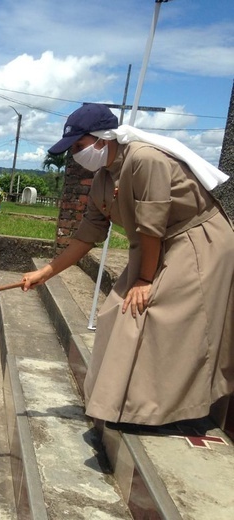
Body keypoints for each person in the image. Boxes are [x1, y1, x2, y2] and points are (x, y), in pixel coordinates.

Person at [21, 103, 234, 426]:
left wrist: (145, 281)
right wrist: (46, 272)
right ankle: (121, 405)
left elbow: (151, 225)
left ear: (102, 140)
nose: (76, 155)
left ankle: (165, 411)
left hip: (197, 241)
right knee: (115, 310)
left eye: (79, 146)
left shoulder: (145, 160)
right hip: (156, 245)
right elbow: (87, 236)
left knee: (158, 311)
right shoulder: (103, 180)